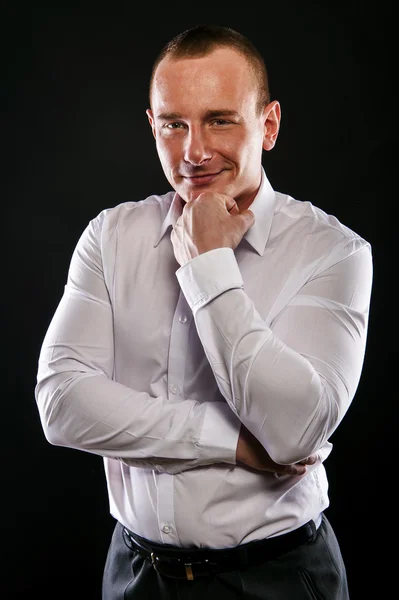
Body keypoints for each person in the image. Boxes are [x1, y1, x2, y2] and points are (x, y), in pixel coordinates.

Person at [35, 24, 373, 599]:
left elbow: (293, 433)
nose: (194, 150)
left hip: (278, 577)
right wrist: (233, 442)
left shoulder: (334, 251)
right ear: (152, 126)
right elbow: (62, 404)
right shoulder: (109, 236)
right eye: (174, 124)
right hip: (134, 575)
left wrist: (208, 264)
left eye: (219, 120)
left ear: (267, 125)